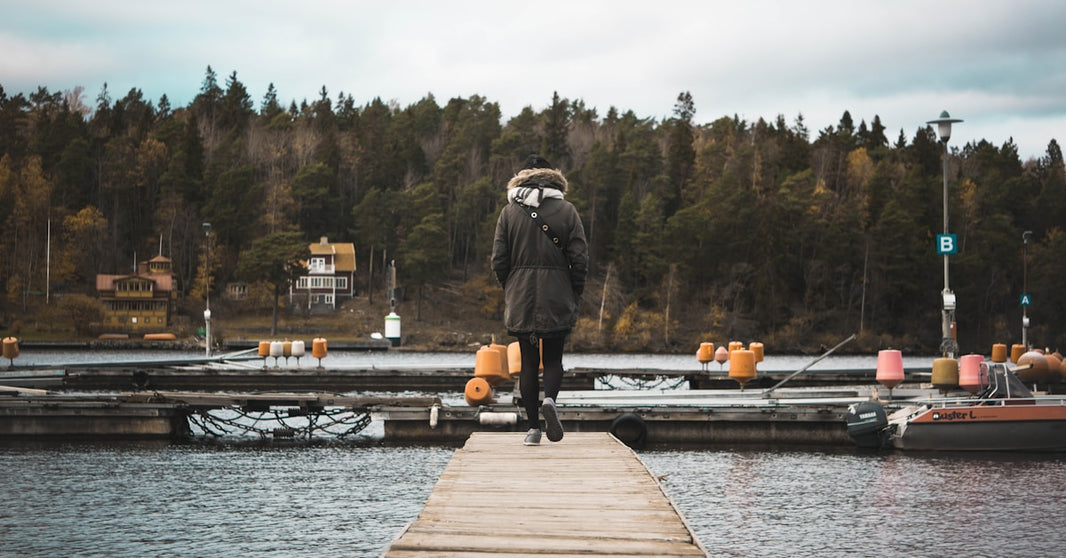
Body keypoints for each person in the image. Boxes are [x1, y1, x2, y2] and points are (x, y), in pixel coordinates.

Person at [491, 154, 588, 445]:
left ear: (521, 178)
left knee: (529, 363)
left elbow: (498, 261)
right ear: (553, 177)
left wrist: (510, 287)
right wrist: (574, 291)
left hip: (521, 295)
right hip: (557, 292)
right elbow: (580, 258)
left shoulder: (509, 213)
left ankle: (533, 429)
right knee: (554, 358)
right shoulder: (567, 210)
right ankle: (550, 401)